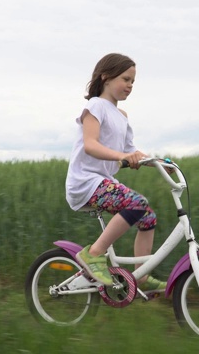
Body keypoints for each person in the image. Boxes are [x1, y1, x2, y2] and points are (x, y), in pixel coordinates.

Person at [65, 53, 166, 292]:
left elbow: (131, 151)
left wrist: (159, 162)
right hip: (85, 182)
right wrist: (121, 157)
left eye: (133, 81)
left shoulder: (122, 116)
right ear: (106, 77)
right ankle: (94, 254)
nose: (130, 85)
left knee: (148, 217)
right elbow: (90, 144)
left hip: (102, 182)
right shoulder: (95, 106)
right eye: (125, 79)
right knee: (137, 203)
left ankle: (140, 277)